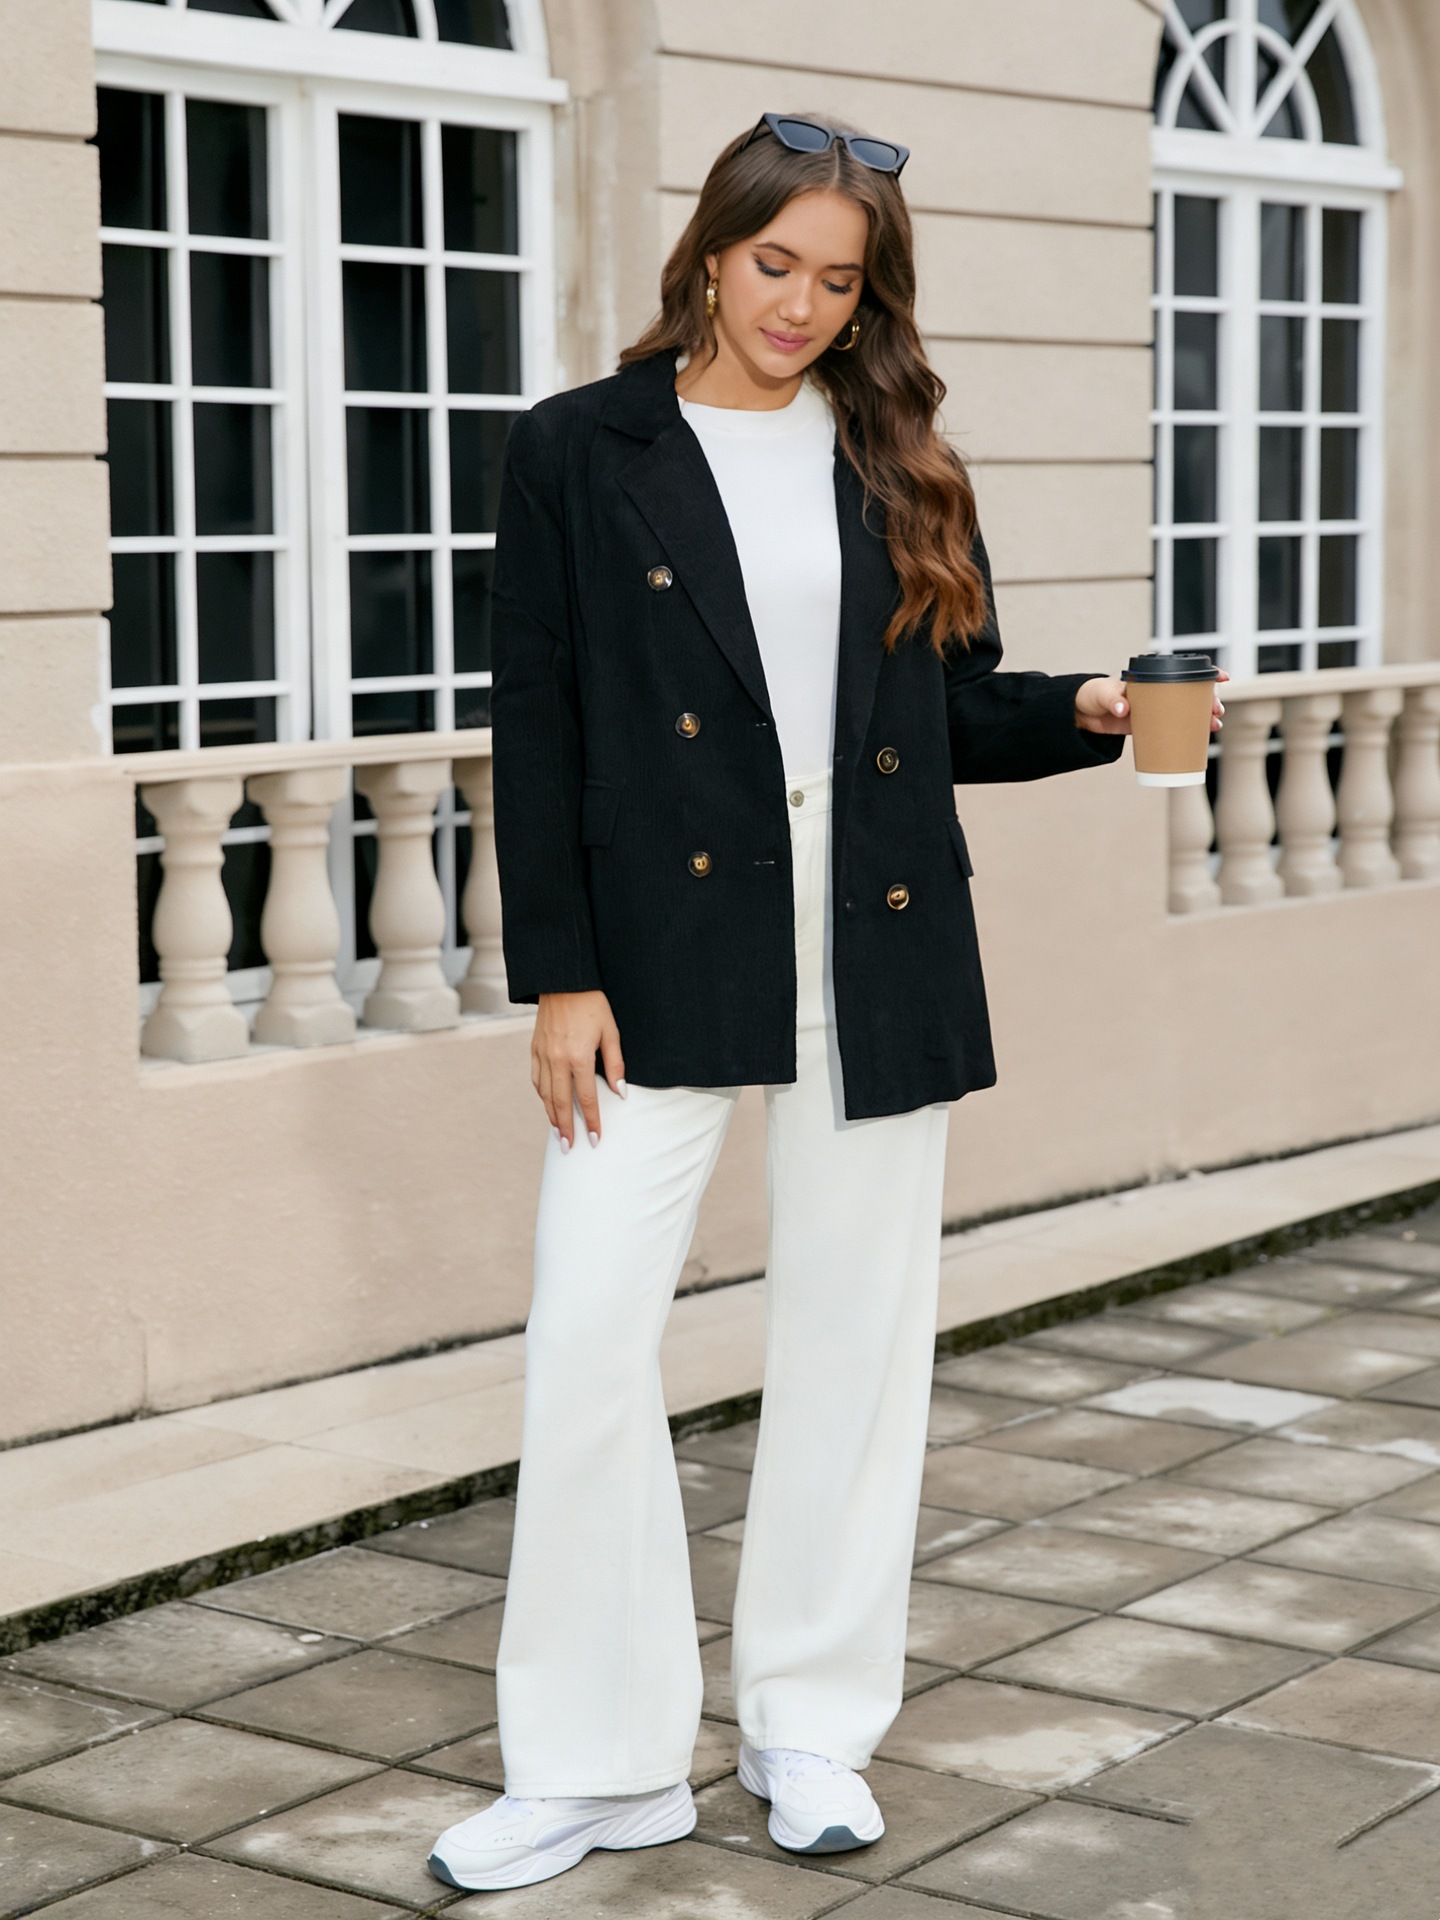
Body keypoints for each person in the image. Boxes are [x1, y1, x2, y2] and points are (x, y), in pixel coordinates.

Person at [427, 111, 1222, 1895]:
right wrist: (560, 973)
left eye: (837, 281)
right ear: (711, 256)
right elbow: (537, 724)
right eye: (773, 262)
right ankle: (597, 1764)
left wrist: (1086, 711)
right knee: (588, 1344)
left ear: (870, 300)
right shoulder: (578, 450)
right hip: (657, 957)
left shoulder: (899, 461)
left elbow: (946, 713)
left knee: (856, 1347)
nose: (798, 304)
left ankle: (809, 1726)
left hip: (872, 944)